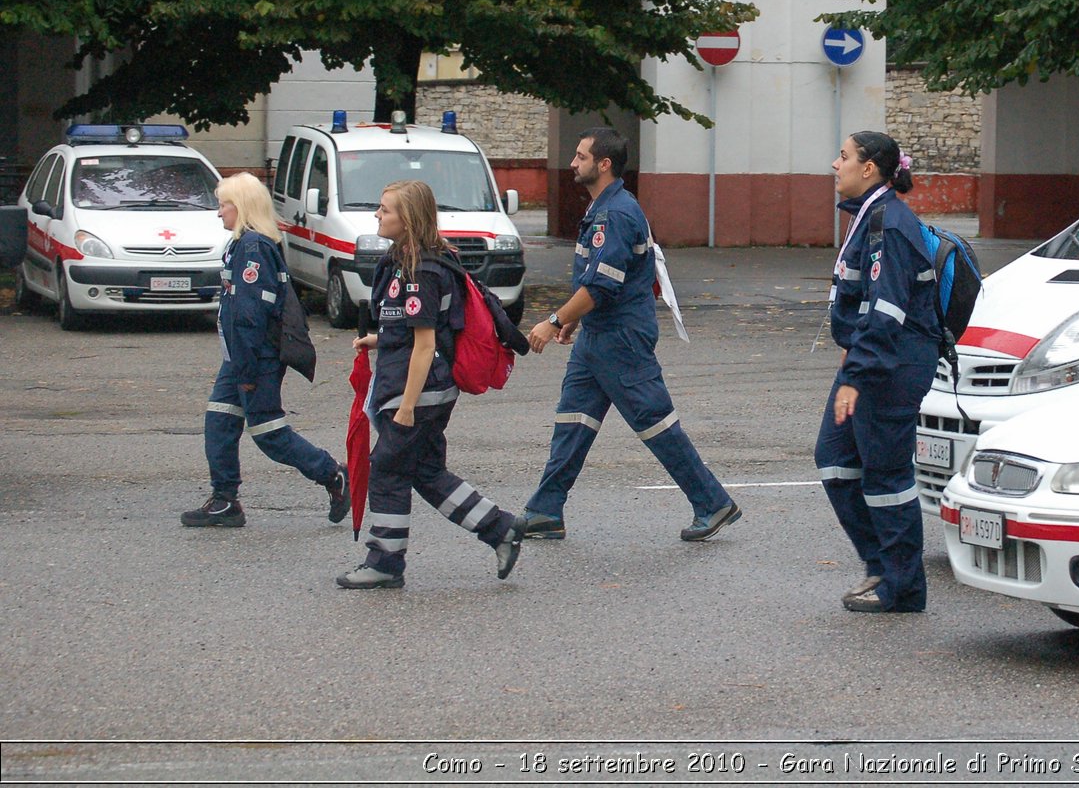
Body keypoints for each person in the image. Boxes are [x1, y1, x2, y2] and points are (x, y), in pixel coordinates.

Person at [519, 128, 739, 542]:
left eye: (581, 156)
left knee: (654, 422)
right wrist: (575, 320)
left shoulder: (615, 214)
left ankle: (712, 502)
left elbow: (602, 284)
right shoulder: (606, 207)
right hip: (599, 334)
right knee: (573, 421)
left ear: (603, 165)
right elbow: (604, 282)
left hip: (620, 339)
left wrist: (553, 321)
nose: (573, 163)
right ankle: (545, 510)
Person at [337, 180, 524, 589]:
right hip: (415, 386)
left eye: (385, 210)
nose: (377, 215)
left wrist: (405, 409)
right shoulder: (409, 260)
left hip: (417, 393)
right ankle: (500, 528)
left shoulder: (420, 271)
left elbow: (424, 346)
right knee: (424, 471)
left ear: (408, 220)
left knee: (386, 468)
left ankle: (385, 562)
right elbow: (413, 331)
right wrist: (380, 339)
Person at [181, 173, 349, 529]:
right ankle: (225, 500)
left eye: (223, 204)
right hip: (239, 358)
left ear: (241, 207)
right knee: (219, 423)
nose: (219, 212)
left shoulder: (253, 248)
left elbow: (249, 316)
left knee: (269, 433)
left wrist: (245, 370)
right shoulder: (243, 243)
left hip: (254, 359)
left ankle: (332, 474)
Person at [817, 132, 940, 614]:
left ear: (869, 169)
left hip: (891, 365)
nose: (835, 164)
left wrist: (855, 376)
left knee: (886, 476)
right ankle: (882, 568)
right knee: (835, 459)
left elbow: (886, 312)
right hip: (870, 360)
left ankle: (903, 588)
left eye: (844, 157)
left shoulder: (889, 226)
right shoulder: (871, 218)